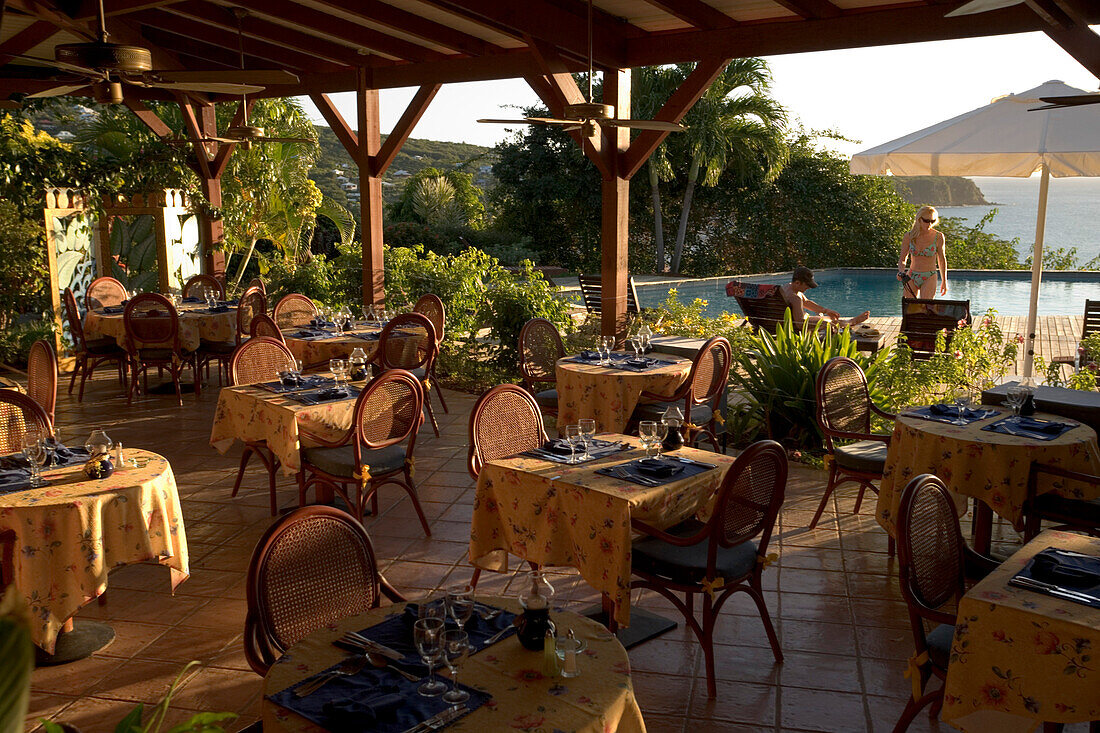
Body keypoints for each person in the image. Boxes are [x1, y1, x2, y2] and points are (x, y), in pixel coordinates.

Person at [780, 266, 870, 328]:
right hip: (796, 326)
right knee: (830, 321)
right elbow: (800, 324)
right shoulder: (795, 298)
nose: (808, 288)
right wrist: (824, 324)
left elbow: (806, 302)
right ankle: (851, 322)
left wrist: (825, 310)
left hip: (781, 323)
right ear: (797, 283)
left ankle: (849, 321)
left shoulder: (786, 288)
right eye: (807, 285)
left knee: (829, 318)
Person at [898, 205, 948, 299]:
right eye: (926, 221)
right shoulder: (909, 236)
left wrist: (944, 281)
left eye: (932, 221)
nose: (929, 224)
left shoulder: (938, 237)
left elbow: (942, 260)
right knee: (909, 307)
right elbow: (902, 259)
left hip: (929, 275)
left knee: (926, 307)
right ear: (919, 219)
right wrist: (901, 272)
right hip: (911, 275)